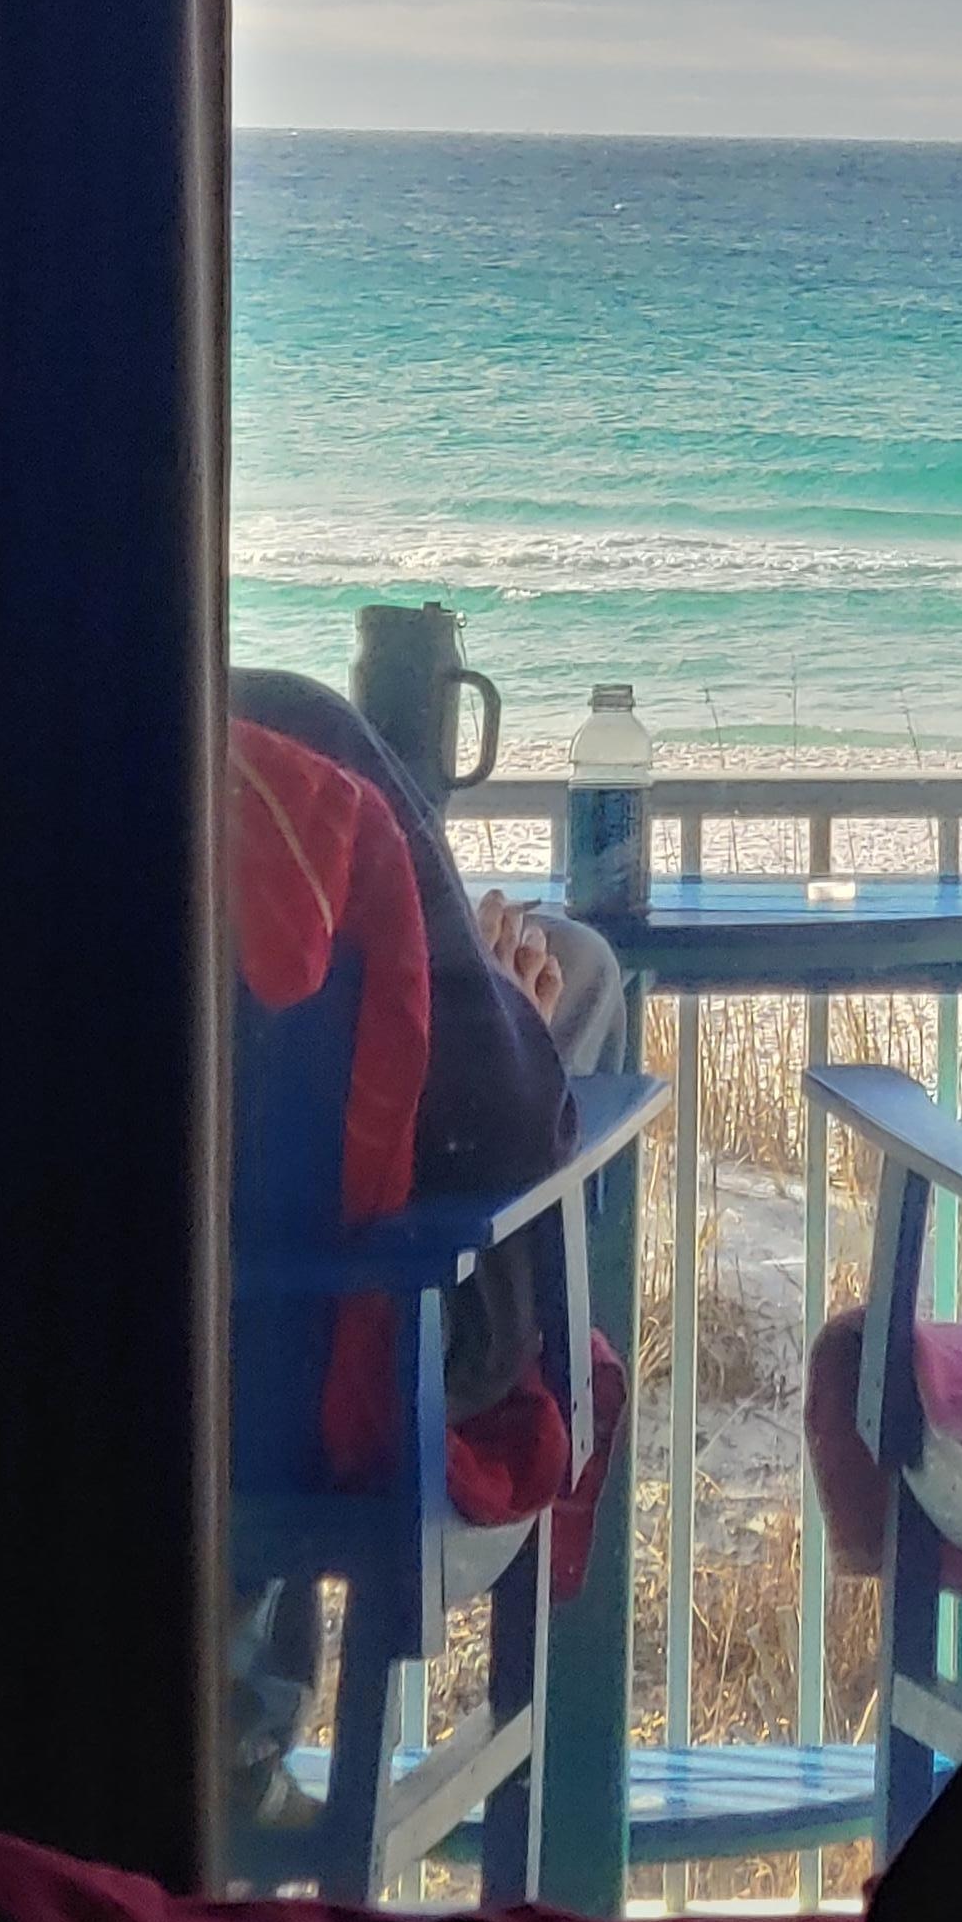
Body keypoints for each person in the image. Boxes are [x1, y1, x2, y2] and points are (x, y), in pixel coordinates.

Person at [225, 669, 630, 1825]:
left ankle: (238, 1711)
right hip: (343, 1375)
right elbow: (499, 1127)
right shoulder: (302, 751)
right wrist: (512, 1010)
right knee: (576, 978)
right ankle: (239, 1728)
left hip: (85, 1350)